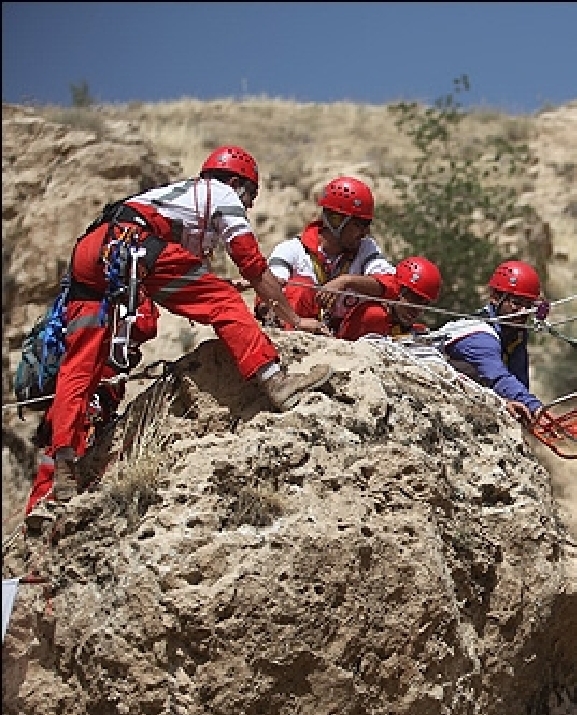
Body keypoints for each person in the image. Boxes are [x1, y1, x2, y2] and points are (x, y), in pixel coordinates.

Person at [43, 145, 333, 505]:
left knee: (80, 365)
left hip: (93, 251)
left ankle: (64, 467)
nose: (250, 205)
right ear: (235, 182)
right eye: (251, 195)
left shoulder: (176, 198)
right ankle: (276, 381)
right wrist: (293, 319)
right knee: (225, 303)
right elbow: (251, 263)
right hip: (137, 246)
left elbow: (188, 280)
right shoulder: (223, 194)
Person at [25, 293, 160, 531]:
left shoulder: (89, 288)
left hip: (74, 388)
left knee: (58, 448)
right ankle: (46, 514)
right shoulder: (128, 287)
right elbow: (145, 327)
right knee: (75, 444)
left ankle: (37, 516)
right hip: (93, 384)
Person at [259, 176, 397, 333]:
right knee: (299, 289)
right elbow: (267, 290)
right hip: (300, 335)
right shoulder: (291, 249)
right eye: (361, 225)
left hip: (346, 339)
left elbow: (392, 284)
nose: (366, 232)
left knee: (375, 314)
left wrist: (346, 281)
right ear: (336, 220)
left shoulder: (366, 248)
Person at [435, 260, 546, 425]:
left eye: (529, 305)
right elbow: (498, 378)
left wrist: (525, 408)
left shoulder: (515, 332)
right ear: (495, 298)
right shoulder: (479, 335)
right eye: (516, 303)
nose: (524, 312)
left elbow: (518, 379)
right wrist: (536, 408)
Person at [335, 256, 441, 340]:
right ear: (401, 291)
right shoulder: (374, 315)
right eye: (415, 300)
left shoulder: (395, 315)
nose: (418, 310)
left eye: (425, 304)